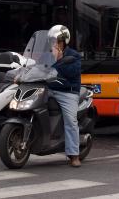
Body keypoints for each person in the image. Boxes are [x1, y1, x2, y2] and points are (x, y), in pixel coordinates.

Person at [47, 24, 82, 168]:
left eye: (57, 40)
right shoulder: (47, 54)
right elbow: (36, 66)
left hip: (67, 92)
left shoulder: (73, 55)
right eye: (53, 40)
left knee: (71, 121)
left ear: (64, 41)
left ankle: (74, 155)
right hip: (48, 88)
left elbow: (71, 73)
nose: (55, 43)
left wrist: (60, 59)